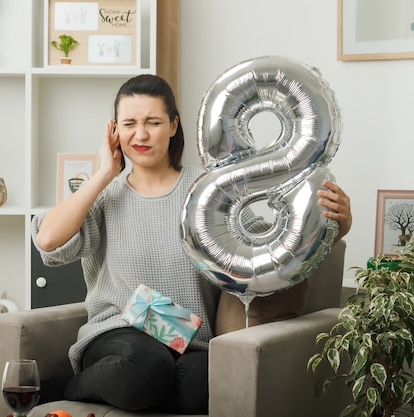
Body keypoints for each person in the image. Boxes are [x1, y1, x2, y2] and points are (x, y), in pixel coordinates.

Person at [32, 74, 352, 414]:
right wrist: (104, 173)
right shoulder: (104, 196)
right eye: (129, 123)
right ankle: (63, 387)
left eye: (153, 122)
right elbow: (49, 241)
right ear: (114, 131)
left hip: (187, 340)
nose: (140, 134)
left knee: (209, 383)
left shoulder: (208, 191)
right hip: (118, 333)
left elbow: (266, 247)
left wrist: (338, 225)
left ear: (173, 126)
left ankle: (139, 391)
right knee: (147, 366)